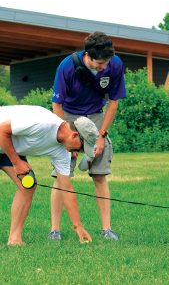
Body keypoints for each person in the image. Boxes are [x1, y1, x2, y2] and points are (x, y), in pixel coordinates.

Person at [50, 31, 126, 241]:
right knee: (61, 175)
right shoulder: (67, 66)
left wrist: (101, 136)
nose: (104, 67)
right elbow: (56, 104)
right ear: (88, 55)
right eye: (100, 63)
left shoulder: (116, 64)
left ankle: (106, 229)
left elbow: (114, 102)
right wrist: (67, 135)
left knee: (100, 175)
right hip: (67, 115)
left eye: (107, 62)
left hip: (96, 116)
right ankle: (54, 230)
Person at [0, 105, 99, 246]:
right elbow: (2, 130)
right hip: (3, 138)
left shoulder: (63, 151)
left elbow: (66, 188)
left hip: (6, 149)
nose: (79, 151)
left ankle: (14, 239)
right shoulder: (43, 123)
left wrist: (79, 227)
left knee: (27, 186)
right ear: (75, 135)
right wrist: (16, 162)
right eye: (81, 147)